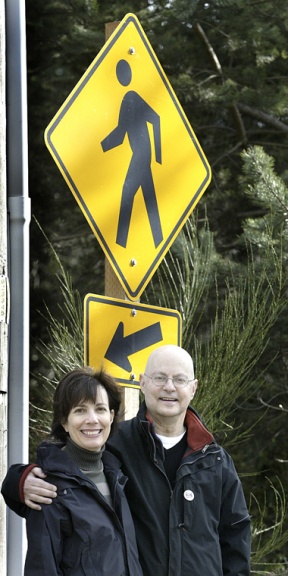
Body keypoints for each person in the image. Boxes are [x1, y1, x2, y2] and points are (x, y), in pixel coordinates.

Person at [2, 345, 251, 576]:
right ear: (142, 382)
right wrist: (19, 479)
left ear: (193, 388)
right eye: (159, 378)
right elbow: (66, 460)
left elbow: (235, 538)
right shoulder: (116, 444)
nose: (169, 387)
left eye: (180, 380)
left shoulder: (215, 460)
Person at [2, 367, 142, 576]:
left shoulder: (118, 475)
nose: (92, 419)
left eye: (100, 409)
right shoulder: (47, 488)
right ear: (64, 421)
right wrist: (15, 481)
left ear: (111, 416)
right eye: (80, 410)